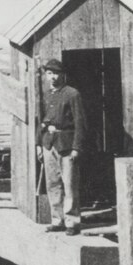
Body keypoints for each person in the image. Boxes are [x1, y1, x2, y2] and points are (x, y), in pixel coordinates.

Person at [37, 58, 86, 235]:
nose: (53, 77)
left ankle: (72, 223)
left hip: (66, 145)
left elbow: (81, 123)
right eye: (49, 73)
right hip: (49, 144)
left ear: (63, 75)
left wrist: (76, 148)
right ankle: (57, 220)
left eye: (56, 73)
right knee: (52, 183)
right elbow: (41, 121)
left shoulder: (72, 94)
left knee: (70, 184)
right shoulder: (46, 94)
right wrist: (38, 144)